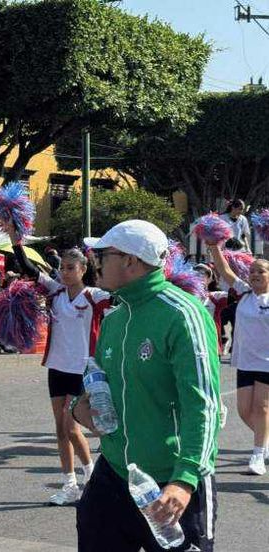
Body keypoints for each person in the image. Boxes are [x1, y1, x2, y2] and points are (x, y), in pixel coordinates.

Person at [73, 220, 220, 552]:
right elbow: (99, 387)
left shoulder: (182, 314)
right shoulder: (113, 318)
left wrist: (184, 480)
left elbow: (204, 405)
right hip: (113, 473)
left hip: (172, 483)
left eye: (103, 255)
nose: (96, 262)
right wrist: (80, 408)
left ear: (130, 261)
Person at [10, 229, 105, 505]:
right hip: (57, 367)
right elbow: (28, 270)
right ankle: (71, 484)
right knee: (60, 429)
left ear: (83, 269)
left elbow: (120, 298)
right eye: (62, 267)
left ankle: (91, 477)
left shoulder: (94, 295)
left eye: (71, 267)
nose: (65, 272)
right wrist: (18, 243)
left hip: (81, 369)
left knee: (71, 426)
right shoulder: (55, 292)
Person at [207, 242, 269, 475]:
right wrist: (214, 247)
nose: (254, 274)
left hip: (267, 362)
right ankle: (264, 443)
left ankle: (257, 455)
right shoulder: (244, 292)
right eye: (252, 271)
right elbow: (225, 271)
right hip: (245, 361)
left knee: (262, 407)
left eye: (260, 271)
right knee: (244, 410)